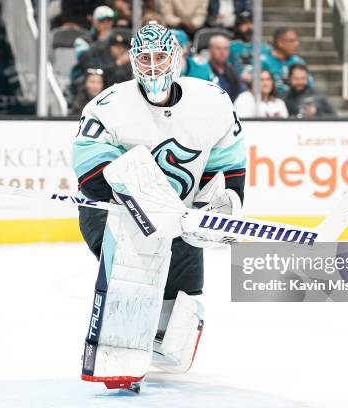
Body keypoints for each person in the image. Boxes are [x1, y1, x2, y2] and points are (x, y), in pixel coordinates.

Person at [73, 21, 245, 392]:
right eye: (145, 58)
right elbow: (89, 168)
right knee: (133, 273)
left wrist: (223, 204)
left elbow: (229, 162)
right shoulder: (109, 105)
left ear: (177, 58)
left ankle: (164, 336)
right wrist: (143, 204)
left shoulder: (213, 102)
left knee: (183, 289)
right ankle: (118, 356)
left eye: (160, 57)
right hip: (112, 210)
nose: (153, 66)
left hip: (178, 212)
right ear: (134, 61)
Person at [262, 27, 311, 95]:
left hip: (295, 102)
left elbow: (309, 87)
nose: (296, 44)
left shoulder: (298, 62)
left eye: (297, 41)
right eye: (292, 41)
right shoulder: (263, 61)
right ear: (280, 43)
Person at [228, 10, 271, 78]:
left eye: (251, 23)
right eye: (244, 23)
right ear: (238, 26)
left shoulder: (263, 47)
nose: (248, 26)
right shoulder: (230, 47)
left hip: (260, 82)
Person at [207, 34, 245, 101]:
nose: (222, 52)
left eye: (225, 49)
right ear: (210, 51)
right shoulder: (204, 71)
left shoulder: (233, 72)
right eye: (218, 48)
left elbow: (242, 94)